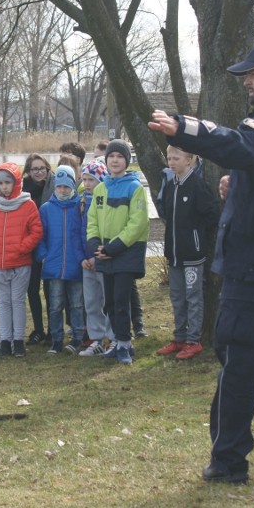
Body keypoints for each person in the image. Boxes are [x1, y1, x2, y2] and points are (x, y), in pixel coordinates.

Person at [148, 40, 254, 483]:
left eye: (252, 76)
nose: (247, 85)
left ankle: (228, 461)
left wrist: (187, 129)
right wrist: (241, 187)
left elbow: (249, 147)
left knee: (239, 361)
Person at [85, 139, 149, 365]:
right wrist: (95, 245)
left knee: (122, 301)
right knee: (109, 302)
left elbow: (137, 223)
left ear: (127, 161)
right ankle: (120, 343)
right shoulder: (101, 188)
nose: (114, 160)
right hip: (105, 254)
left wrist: (115, 247)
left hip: (125, 253)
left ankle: (123, 343)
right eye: (111, 156)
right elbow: (92, 219)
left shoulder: (135, 188)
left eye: (119, 157)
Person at [157, 146, 220, 360]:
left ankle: (194, 340)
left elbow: (212, 215)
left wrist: (196, 233)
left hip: (193, 254)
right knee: (177, 296)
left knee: (193, 297)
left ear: (190, 160)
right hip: (174, 253)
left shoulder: (197, 185)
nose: (172, 162)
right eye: (169, 158)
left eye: (177, 158)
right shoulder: (170, 185)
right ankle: (179, 337)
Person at [0, 162, 43, 357]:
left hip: (20, 264)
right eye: (1, 183)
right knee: (2, 302)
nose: (4, 186)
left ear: (16, 182)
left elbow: (36, 231)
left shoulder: (27, 204)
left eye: (8, 182)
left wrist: (21, 249)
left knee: (17, 302)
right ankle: (5, 341)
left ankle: (18, 342)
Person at [37, 165, 86, 354]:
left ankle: (78, 337)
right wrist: (43, 255)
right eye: (59, 186)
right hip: (54, 265)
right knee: (55, 305)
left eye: (66, 186)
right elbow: (41, 236)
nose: (63, 190)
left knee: (76, 303)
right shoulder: (46, 209)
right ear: (55, 187)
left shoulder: (79, 206)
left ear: (73, 186)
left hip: (75, 264)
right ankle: (56, 339)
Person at [78, 159, 114, 357]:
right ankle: (96, 338)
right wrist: (82, 258)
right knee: (91, 302)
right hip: (86, 262)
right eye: (84, 179)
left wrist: (95, 256)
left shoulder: (106, 200)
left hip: (102, 258)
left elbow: (103, 230)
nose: (88, 184)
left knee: (107, 300)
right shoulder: (81, 202)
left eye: (91, 179)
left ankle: (112, 337)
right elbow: (78, 232)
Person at [22, 154, 52, 345]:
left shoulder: (55, 186)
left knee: (51, 291)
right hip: (30, 245)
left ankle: (52, 329)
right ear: (29, 171)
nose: (39, 172)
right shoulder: (23, 191)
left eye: (42, 168)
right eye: (35, 169)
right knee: (32, 289)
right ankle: (38, 329)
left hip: (50, 245)